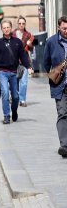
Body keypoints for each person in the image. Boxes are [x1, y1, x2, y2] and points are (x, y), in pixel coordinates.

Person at [0, 20, 32, 125]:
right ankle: (6, 116)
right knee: (5, 92)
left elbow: (23, 56)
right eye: (4, 28)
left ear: (11, 27)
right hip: (2, 72)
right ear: (2, 30)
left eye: (8, 27)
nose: (6, 29)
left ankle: (14, 110)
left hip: (14, 73)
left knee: (15, 96)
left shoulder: (17, 42)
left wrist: (29, 67)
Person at [42, 16, 67, 158]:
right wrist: (55, 75)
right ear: (59, 27)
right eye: (64, 28)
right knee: (62, 113)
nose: (66, 31)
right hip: (60, 86)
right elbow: (45, 63)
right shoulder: (51, 42)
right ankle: (64, 145)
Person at [14, 17, 35, 107]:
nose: (21, 25)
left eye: (23, 23)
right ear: (17, 24)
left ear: (25, 24)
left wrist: (30, 45)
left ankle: (22, 100)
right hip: (14, 61)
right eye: (20, 23)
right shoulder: (13, 34)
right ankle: (14, 96)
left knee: (24, 82)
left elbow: (32, 48)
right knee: (15, 81)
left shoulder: (28, 35)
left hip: (25, 60)